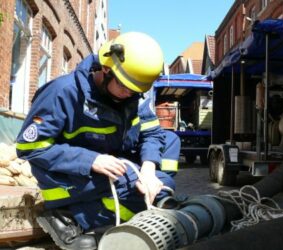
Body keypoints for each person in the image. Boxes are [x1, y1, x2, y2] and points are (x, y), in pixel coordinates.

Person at [16, 32, 180, 250]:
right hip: (68, 173)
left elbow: (152, 134)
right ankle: (71, 216)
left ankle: (151, 197)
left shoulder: (132, 94)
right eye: (124, 87)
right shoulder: (63, 92)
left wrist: (149, 171)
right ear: (106, 69)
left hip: (111, 164)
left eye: (136, 90)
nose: (130, 94)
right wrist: (90, 160)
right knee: (132, 183)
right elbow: (29, 147)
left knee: (170, 142)